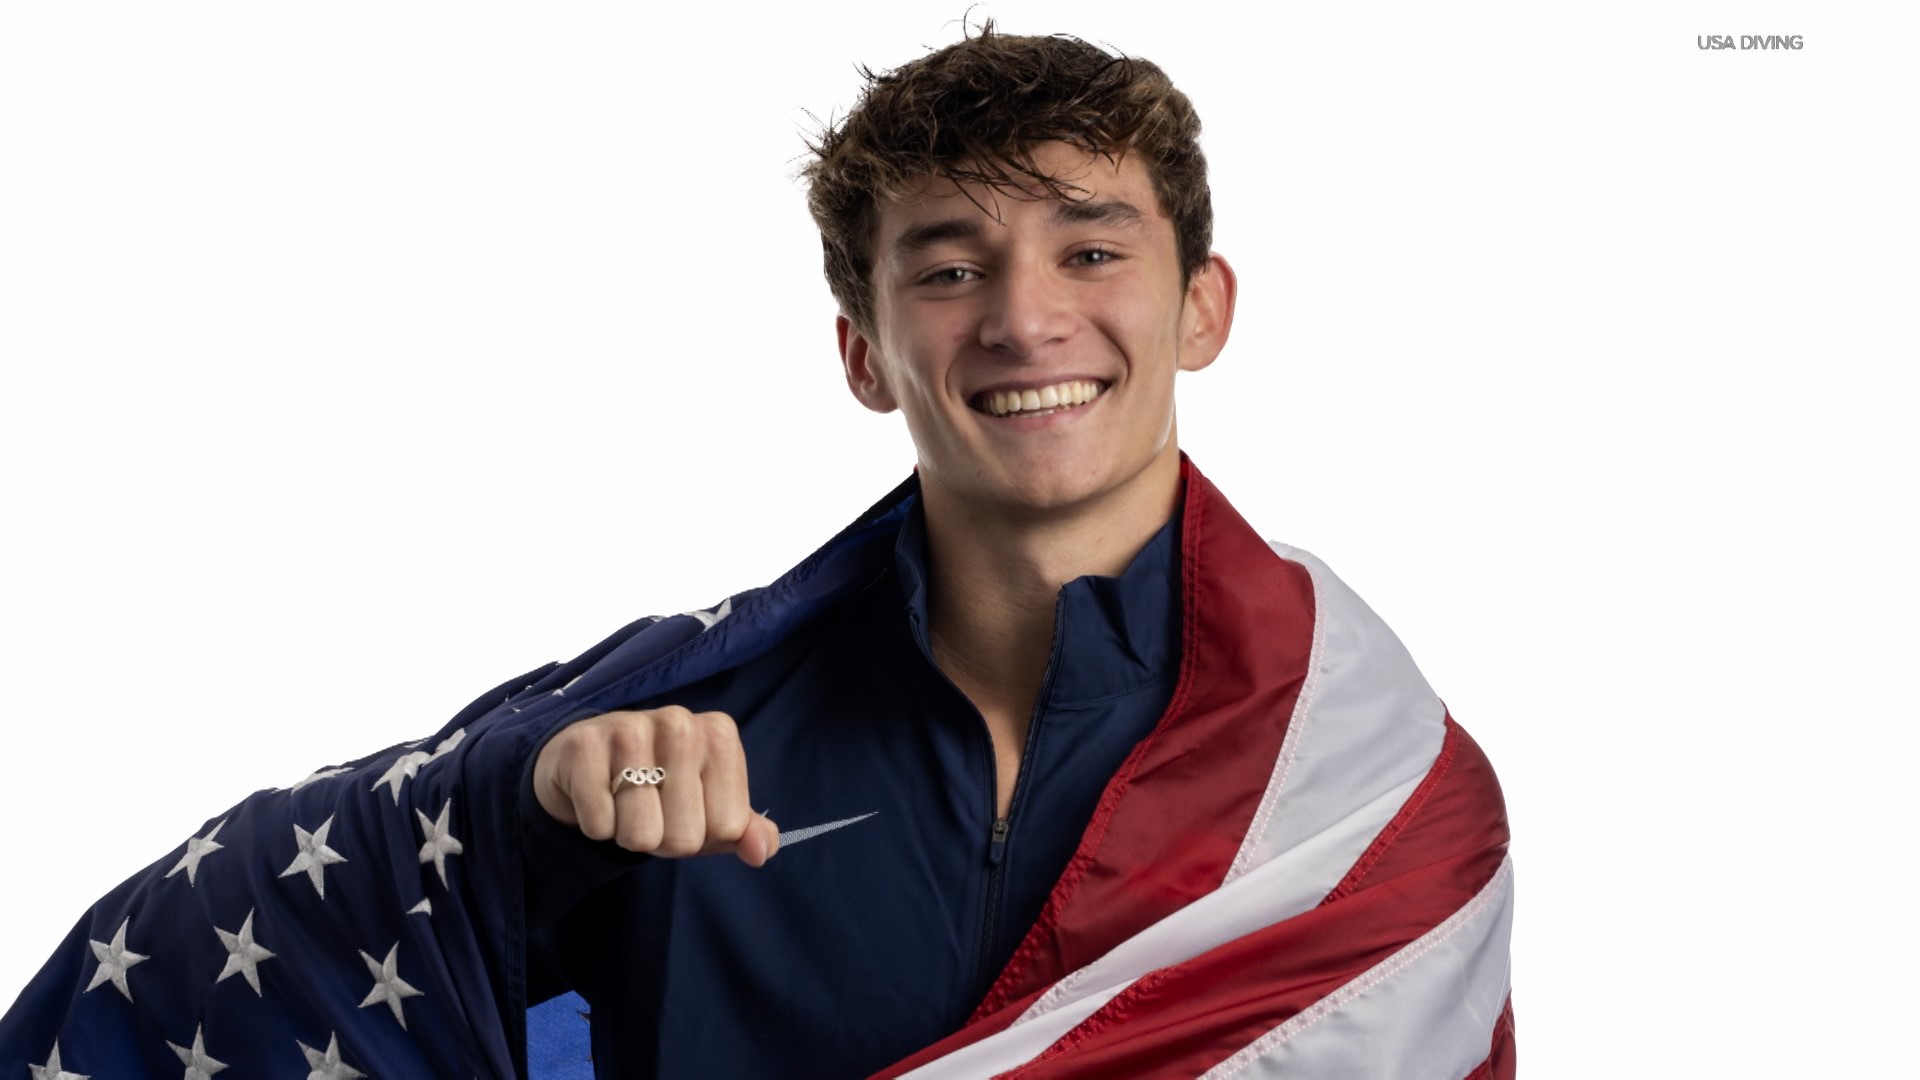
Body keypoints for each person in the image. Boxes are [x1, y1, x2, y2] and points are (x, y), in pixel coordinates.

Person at [1, 24, 1515, 1079]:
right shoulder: (669, 731)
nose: (1024, 317)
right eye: (949, 266)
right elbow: (257, 931)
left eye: (1092, 247)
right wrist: (522, 810)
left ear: (1204, 308)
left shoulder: (1373, 794)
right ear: (863, 353)